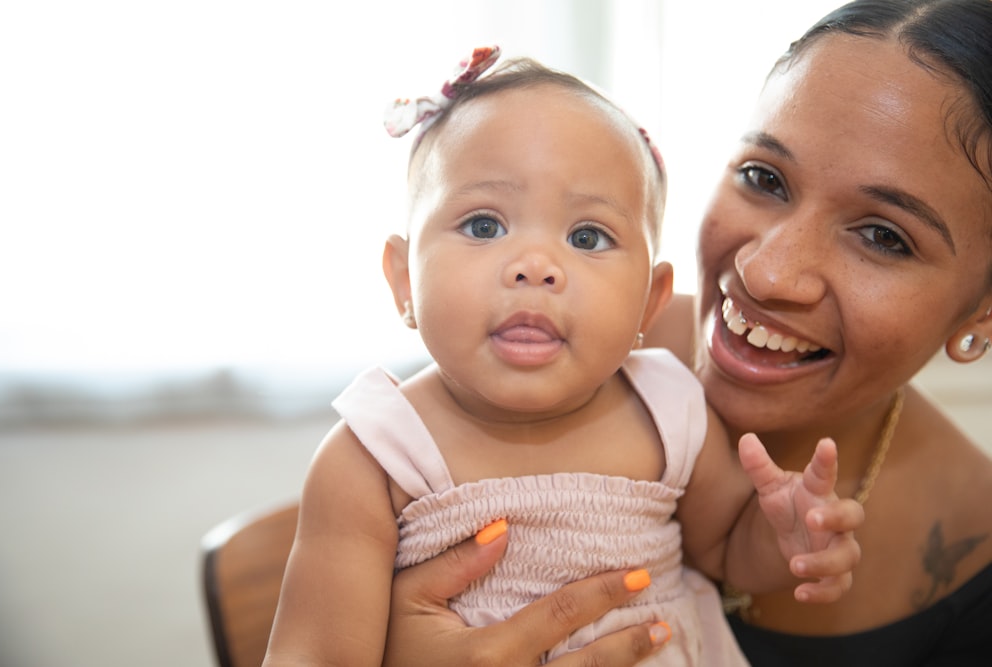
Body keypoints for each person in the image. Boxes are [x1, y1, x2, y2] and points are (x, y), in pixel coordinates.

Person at [378, 0, 992, 665]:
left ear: (982, 312)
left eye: (884, 236)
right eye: (765, 178)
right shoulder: (554, 348)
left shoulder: (972, 575)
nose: (767, 271)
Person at [261, 48, 865, 666]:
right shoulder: (375, 457)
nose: (535, 266)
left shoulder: (669, 408)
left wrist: (783, 538)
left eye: (586, 237)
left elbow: (727, 551)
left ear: (648, 304)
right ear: (403, 280)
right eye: (483, 225)